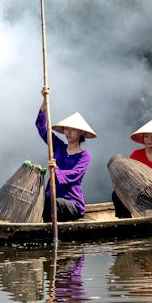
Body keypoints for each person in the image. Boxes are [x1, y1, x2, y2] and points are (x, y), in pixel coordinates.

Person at [36, 87, 95, 222]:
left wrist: (56, 170)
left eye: (73, 130)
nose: (68, 132)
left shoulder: (84, 155)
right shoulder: (58, 146)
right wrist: (45, 100)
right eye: (67, 129)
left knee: (53, 204)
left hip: (72, 203)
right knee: (43, 203)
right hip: (51, 198)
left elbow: (75, 174)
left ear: (80, 133)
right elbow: (41, 126)